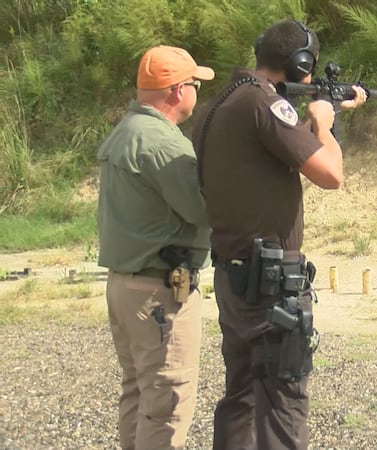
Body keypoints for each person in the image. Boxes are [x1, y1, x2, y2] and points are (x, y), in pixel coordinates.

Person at [192, 19, 367, 449]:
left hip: (235, 277)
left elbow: (272, 149)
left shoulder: (222, 105)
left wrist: (326, 112)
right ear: (300, 63)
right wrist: (323, 124)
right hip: (271, 284)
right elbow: (331, 174)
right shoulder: (264, 105)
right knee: (283, 406)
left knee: (242, 399)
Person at [96, 45, 215, 450]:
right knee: (167, 404)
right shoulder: (165, 143)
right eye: (195, 84)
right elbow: (203, 209)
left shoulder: (127, 130)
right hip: (159, 292)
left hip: (127, 287)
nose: (197, 92)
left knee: (140, 394)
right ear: (178, 91)